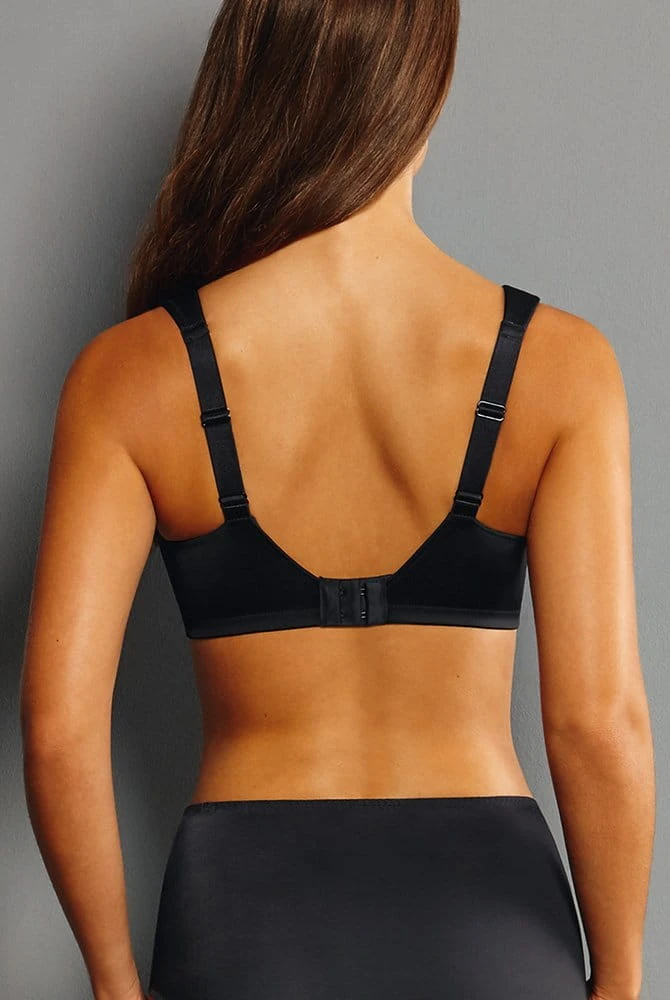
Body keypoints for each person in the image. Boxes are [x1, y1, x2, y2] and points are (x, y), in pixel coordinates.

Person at [20, 2, 655, 999]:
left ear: (252, 87)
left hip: (245, 922)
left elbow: (59, 725)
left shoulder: (131, 377)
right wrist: (618, 978)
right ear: (422, 92)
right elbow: (596, 721)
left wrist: (113, 980)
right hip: (492, 923)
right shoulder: (560, 369)